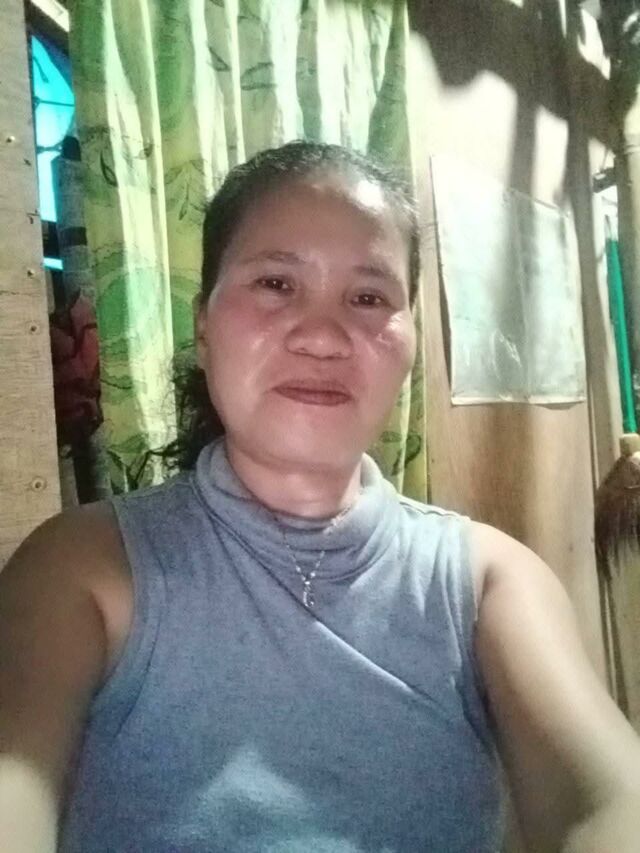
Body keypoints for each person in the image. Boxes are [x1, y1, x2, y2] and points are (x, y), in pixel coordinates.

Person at [1, 141, 639, 853]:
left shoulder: (490, 580)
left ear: (410, 345)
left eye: (368, 298)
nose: (323, 336)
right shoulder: (82, 568)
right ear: (204, 327)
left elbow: (605, 803)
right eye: (276, 283)